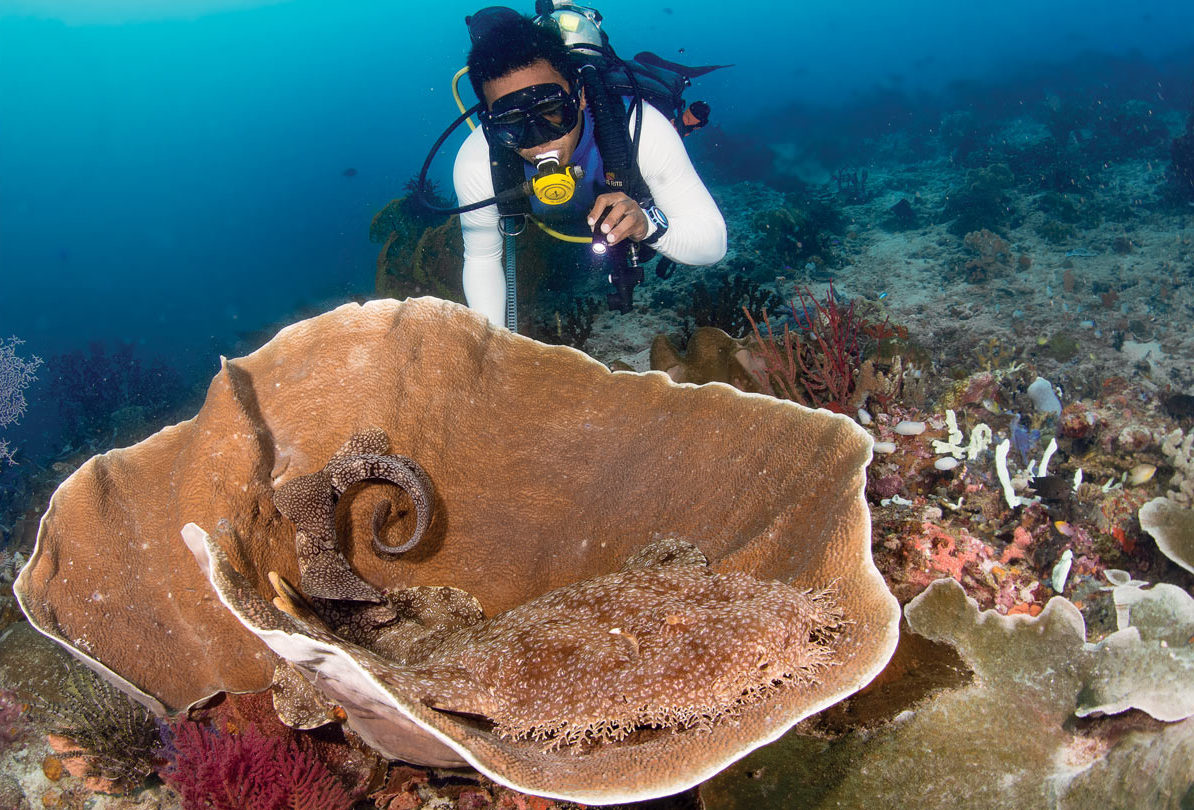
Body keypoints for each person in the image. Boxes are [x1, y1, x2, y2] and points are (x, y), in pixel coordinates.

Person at [453, 12, 727, 327]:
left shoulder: (641, 126)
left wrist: (647, 225)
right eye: (512, 123)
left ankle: (672, 95)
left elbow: (713, 243)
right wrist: (495, 351)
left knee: (673, 130)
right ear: (490, 125)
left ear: (581, 95)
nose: (541, 140)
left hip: (632, 173)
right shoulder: (477, 163)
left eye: (553, 111)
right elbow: (481, 258)